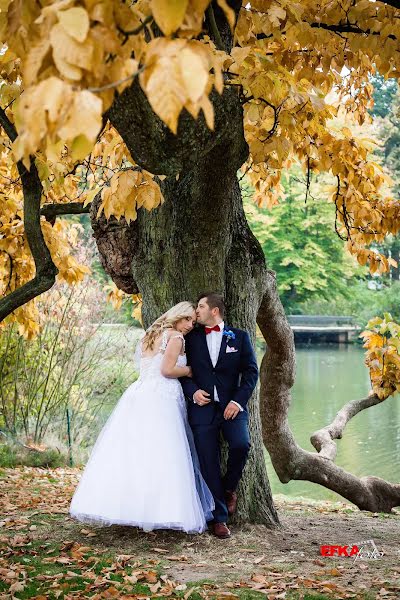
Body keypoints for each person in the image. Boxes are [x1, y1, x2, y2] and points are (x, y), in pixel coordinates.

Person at [70, 302, 215, 534]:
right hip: (162, 396)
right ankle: (163, 510)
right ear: (177, 317)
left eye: (193, 321)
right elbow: (167, 370)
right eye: (187, 319)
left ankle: (133, 507)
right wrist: (189, 371)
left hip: (139, 393)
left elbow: (146, 366)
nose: (190, 325)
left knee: (136, 451)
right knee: (165, 451)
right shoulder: (176, 337)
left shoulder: (151, 333)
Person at [180, 292, 258, 539]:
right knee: (207, 460)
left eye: (201, 306)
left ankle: (229, 488)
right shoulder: (189, 339)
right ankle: (220, 518)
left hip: (231, 406)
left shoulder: (240, 337)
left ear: (214, 311)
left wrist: (237, 400)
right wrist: (193, 393)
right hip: (201, 408)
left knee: (241, 445)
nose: (196, 311)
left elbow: (251, 373)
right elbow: (179, 372)